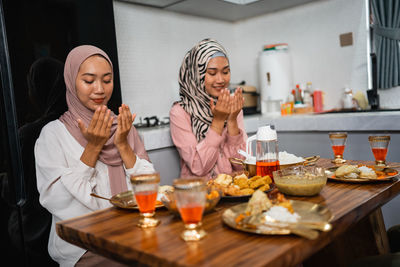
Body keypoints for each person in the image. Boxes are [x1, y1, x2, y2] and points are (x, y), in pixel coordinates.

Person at [34, 45, 155, 267]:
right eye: (89, 81)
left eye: (107, 80)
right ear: (71, 82)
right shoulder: (53, 135)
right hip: (84, 247)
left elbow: (150, 190)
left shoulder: (124, 127)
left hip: (134, 234)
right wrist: (93, 147)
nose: (100, 89)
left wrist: (123, 145)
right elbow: (56, 200)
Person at [2, 57, 66, 267]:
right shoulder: (83, 127)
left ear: (38, 91)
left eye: (30, 87)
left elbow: (15, 192)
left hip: (39, 236)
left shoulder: (28, 135)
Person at [169, 38, 247, 179]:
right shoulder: (180, 112)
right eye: (212, 73)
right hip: (197, 195)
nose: (220, 80)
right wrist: (218, 121)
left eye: (225, 72)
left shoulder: (233, 107)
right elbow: (199, 167)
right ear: (196, 74)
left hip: (231, 192)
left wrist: (232, 121)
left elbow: (242, 165)